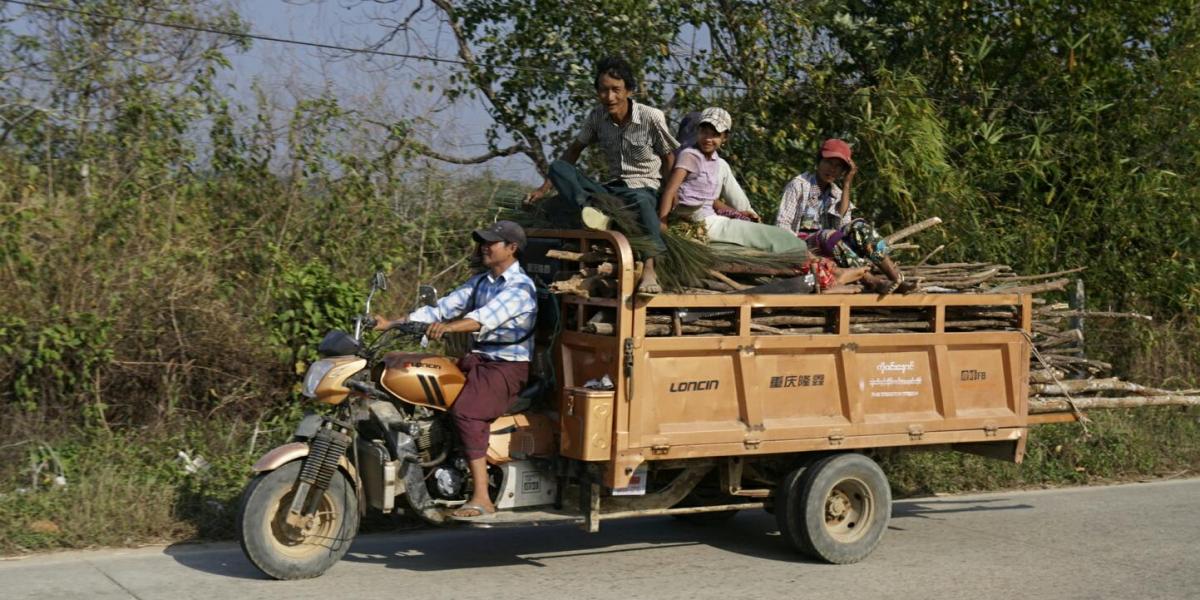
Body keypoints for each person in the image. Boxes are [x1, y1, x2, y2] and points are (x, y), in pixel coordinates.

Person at [373, 220, 537, 519]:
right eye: (483, 241)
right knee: (425, 386)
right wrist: (392, 323)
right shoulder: (481, 281)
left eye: (491, 242)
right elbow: (442, 308)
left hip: (507, 367)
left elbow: (482, 319)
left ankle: (482, 497)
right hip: (477, 359)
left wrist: (447, 328)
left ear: (512, 248)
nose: (484, 247)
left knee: (467, 412)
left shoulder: (521, 288)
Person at [525, 55, 679, 294]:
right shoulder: (597, 117)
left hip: (643, 188)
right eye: (603, 91)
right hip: (610, 190)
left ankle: (650, 268)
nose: (610, 97)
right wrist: (543, 188)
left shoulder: (651, 117)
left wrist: (670, 197)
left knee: (642, 202)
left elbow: (670, 158)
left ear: (629, 90)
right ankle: (590, 211)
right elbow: (573, 151)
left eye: (616, 90)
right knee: (558, 167)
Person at [660, 108, 816, 254]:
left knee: (762, 233)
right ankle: (797, 249)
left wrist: (736, 213)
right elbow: (670, 191)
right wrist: (663, 225)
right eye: (704, 132)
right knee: (770, 236)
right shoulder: (689, 156)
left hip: (709, 219)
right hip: (700, 221)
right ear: (698, 132)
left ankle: (794, 247)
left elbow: (710, 200)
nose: (708, 139)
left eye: (714, 135)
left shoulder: (715, 162)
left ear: (724, 137)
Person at [776, 139, 913, 294]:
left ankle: (897, 278)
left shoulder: (837, 193)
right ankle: (872, 281)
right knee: (829, 234)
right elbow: (782, 224)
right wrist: (802, 252)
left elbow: (845, 227)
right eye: (828, 163)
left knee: (859, 227)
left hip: (833, 246)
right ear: (819, 161)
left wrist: (847, 184)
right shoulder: (799, 185)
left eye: (838, 166)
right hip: (802, 247)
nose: (832, 169)